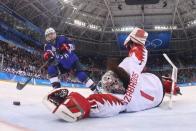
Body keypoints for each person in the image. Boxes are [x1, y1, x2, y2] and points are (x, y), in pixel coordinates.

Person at [43, 27, 181, 122]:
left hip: (72, 61)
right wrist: (48, 55)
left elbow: (99, 104)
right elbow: (139, 53)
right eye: (111, 82)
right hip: (155, 87)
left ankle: (168, 85)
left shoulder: (122, 98)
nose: (110, 82)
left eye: (111, 82)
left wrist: (80, 105)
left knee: (82, 75)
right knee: (51, 70)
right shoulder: (122, 98)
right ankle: (56, 89)